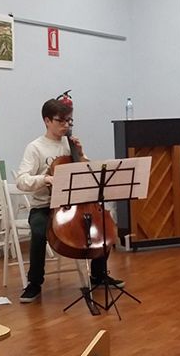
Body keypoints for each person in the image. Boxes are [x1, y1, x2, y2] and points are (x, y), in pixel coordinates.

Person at [15, 96, 125, 303]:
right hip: (45, 206)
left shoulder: (70, 145)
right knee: (39, 232)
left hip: (75, 204)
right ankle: (34, 283)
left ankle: (98, 275)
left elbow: (89, 174)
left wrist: (81, 155)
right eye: (61, 121)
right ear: (47, 120)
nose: (66, 125)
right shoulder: (35, 147)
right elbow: (21, 180)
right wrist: (46, 178)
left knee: (102, 225)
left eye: (69, 121)